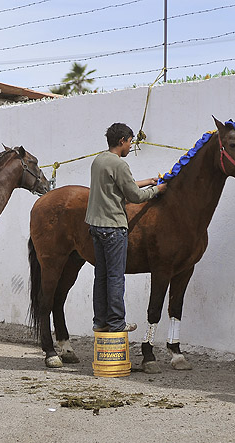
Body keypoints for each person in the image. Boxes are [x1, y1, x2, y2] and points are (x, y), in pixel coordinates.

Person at [85, 123, 168, 333]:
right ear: (122, 141)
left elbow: (120, 186)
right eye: (130, 142)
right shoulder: (120, 165)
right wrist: (156, 190)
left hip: (96, 226)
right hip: (114, 227)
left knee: (101, 275)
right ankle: (116, 323)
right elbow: (134, 196)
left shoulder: (99, 160)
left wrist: (148, 180)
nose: (131, 146)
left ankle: (100, 321)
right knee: (115, 277)